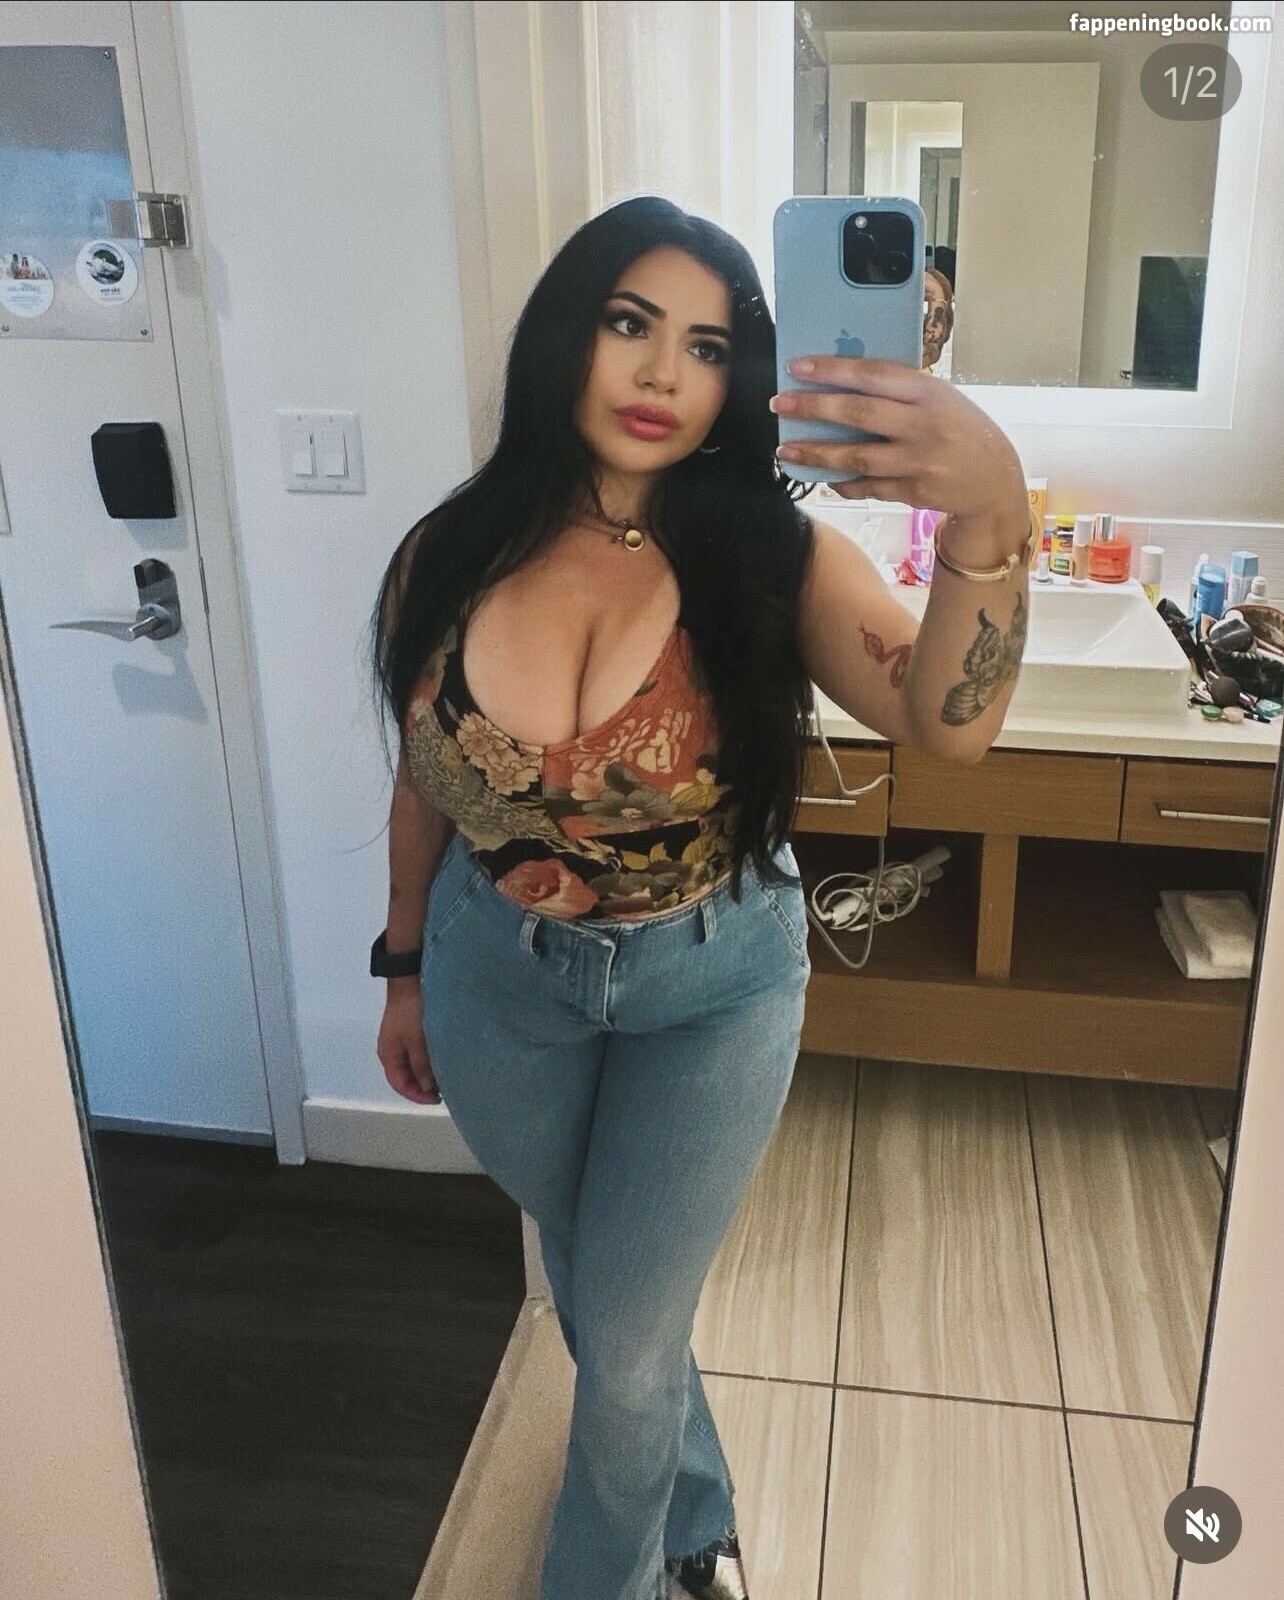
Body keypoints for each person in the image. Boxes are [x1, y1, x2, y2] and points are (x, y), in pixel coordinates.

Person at [369, 195, 1032, 1600]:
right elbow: (425, 780)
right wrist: (405, 965)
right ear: (567, 333)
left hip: (709, 986)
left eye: (710, 346)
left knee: (615, 1345)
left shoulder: (772, 556)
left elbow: (952, 723)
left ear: (742, 377)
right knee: (611, 1291)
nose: (665, 372)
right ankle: (699, 1513)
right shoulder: (447, 554)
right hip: (498, 982)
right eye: (630, 323)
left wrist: (992, 510)